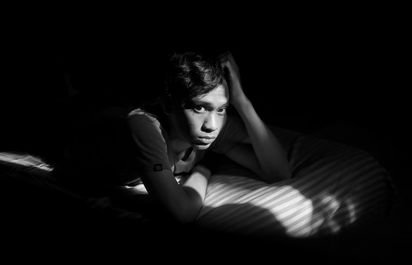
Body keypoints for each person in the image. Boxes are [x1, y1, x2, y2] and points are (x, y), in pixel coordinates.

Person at [125, 51, 291, 223]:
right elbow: (181, 212)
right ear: (168, 105)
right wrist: (204, 169)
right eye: (199, 108)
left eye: (221, 109)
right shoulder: (145, 125)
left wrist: (242, 101)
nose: (212, 125)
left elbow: (279, 174)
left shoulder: (215, 127)